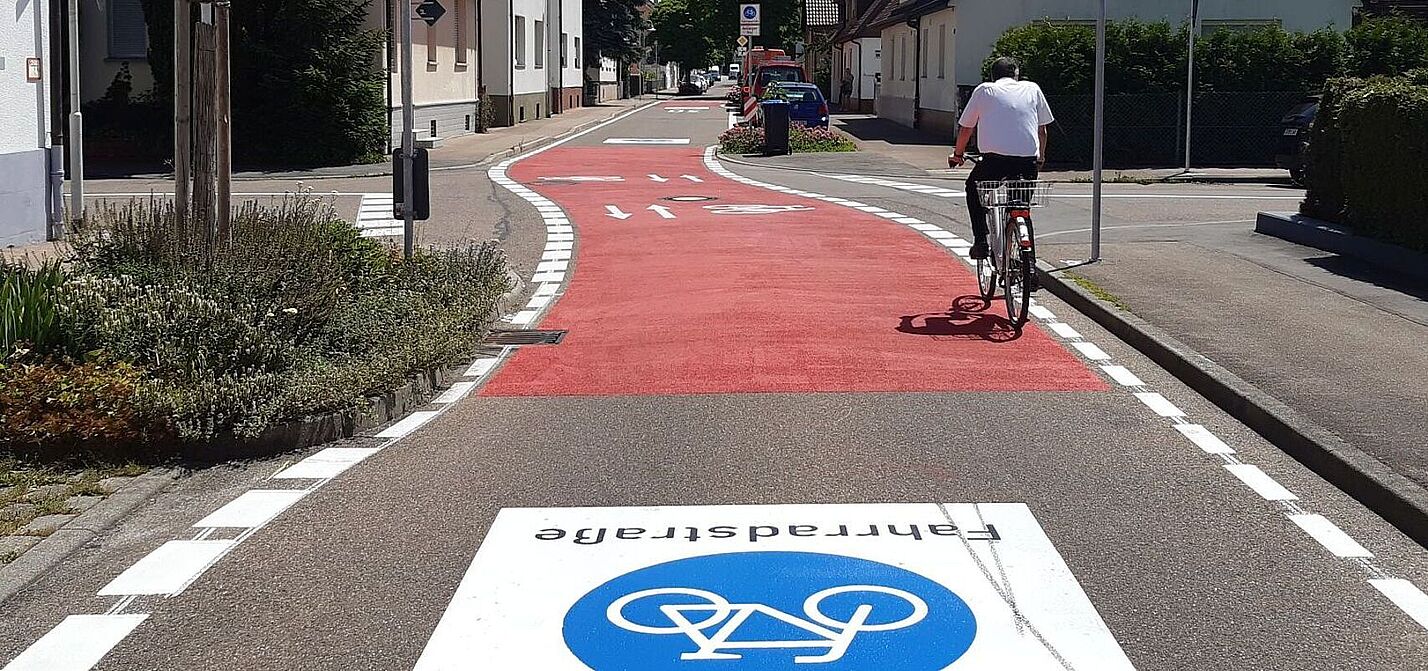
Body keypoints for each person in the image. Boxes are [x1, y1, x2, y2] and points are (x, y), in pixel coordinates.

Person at [948, 57, 1054, 260]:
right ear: (1016, 75)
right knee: (1021, 208)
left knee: (973, 189)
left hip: (994, 162)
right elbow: (1042, 130)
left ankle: (981, 241)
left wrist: (958, 155)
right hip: (1027, 161)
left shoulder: (985, 90)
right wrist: (1040, 157)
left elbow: (966, 128)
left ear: (992, 76)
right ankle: (1029, 263)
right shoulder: (1032, 88)